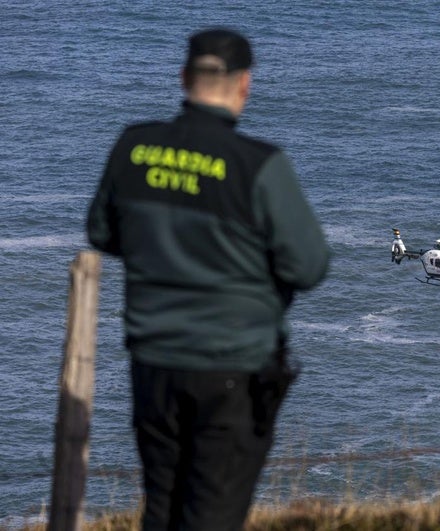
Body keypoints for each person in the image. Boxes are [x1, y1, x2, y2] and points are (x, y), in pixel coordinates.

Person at [87, 28, 329, 530]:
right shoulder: (258, 165)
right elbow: (308, 267)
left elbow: (102, 232)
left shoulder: (134, 147)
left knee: (161, 505)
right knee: (212, 514)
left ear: (183, 78)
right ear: (245, 85)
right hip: (232, 365)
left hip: (154, 361)